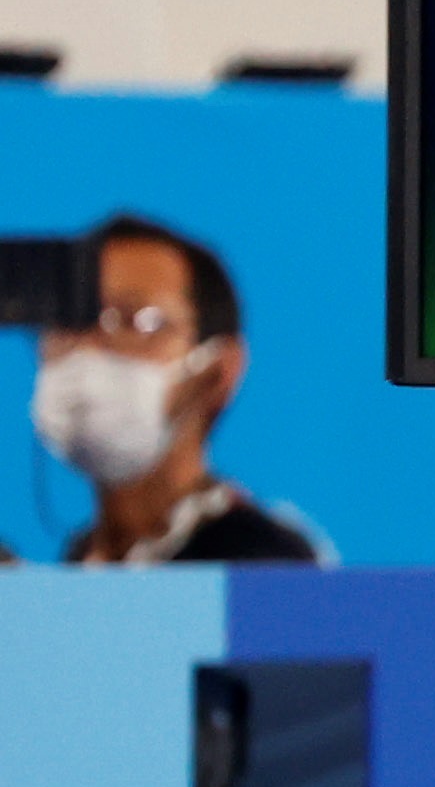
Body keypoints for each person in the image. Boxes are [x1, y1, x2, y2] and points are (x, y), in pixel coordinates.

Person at [25, 215, 327, 564]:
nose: (91, 347)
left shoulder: (263, 564)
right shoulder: (86, 557)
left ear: (217, 370)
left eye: (139, 321)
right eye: (72, 321)